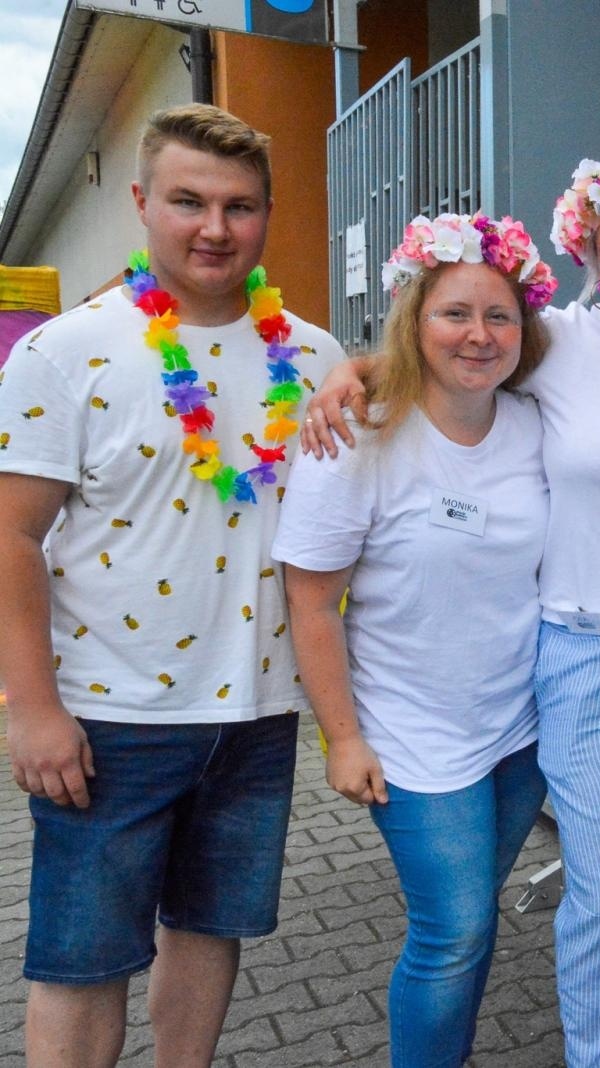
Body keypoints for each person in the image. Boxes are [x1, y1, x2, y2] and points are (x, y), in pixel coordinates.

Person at [306, 153, 600, 1068]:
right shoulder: (567, 341)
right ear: (591, 260)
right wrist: (351, 375)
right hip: (586, 656)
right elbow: (452, 339)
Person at [0, 104, 343, 1067]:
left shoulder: (309, 356)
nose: (214, 228)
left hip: (259, 709)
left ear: (267, 215)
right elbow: (10, 535)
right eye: (188, 201)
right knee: (80, 960)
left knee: (208, 928)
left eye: (240, 206)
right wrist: (32, 709)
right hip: (109, 716)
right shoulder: (66, 351)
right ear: (144, 202)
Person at [274, 212, 556, 1067]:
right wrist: (342, 737)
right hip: (411, 736)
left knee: (470, 926)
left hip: (523, 727)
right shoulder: (357, 436)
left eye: (498, 316)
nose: (479, 335)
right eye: (454, 314)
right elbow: (311, 601)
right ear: (414, 320)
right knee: (454, 928)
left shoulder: (537, 423)